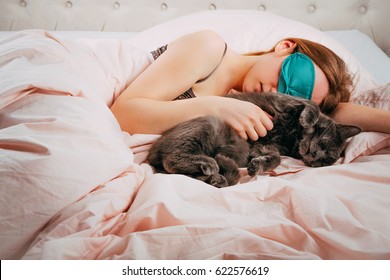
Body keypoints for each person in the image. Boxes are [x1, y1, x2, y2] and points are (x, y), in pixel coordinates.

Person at [111, 30, 390, 140]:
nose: (274, 93)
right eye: (286, 79)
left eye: (290, 96)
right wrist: (216, 107)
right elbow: (123, 114)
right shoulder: (209, 49)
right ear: (284, 47)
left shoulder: (259, 110)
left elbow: (335, 115)